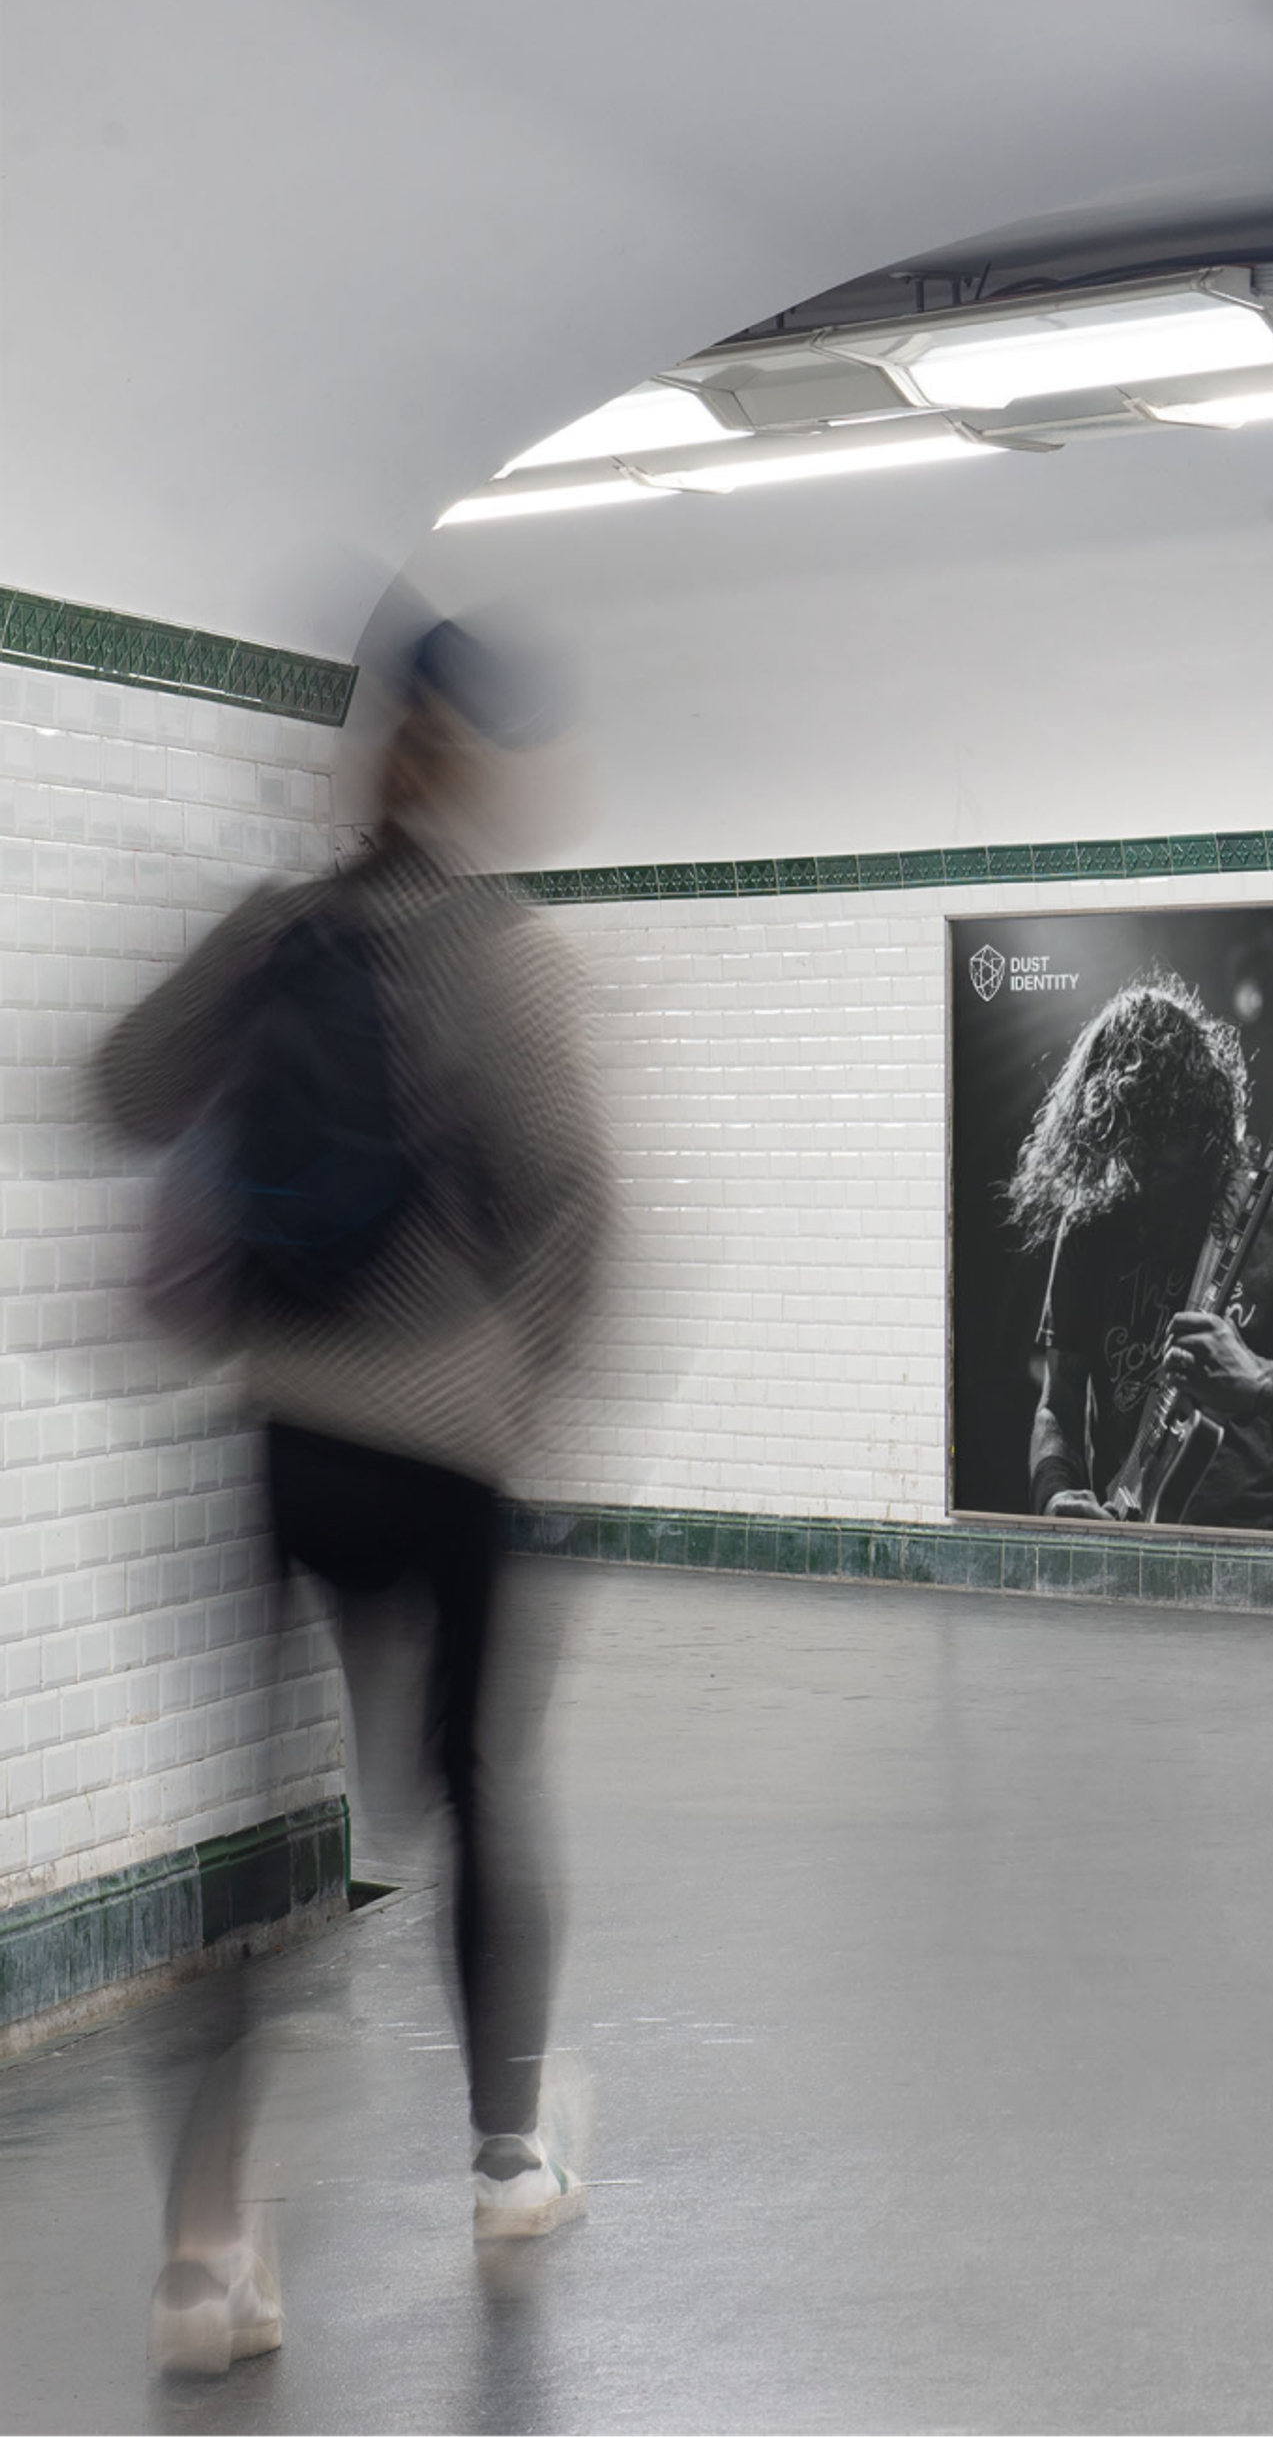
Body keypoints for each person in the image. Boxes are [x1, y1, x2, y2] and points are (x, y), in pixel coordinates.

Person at [93, 621, 611, 2377]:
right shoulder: (500, 952)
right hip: (446, 1447)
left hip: (280, 1440)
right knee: (472, 1789)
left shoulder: (278, 932)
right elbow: (581, 1203)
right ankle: (507, 2154)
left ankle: (203, 2255)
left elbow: (116, 1088)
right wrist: (514, 1390)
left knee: (261, 1842)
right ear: (468, 759)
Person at [1012, 976, 1273, 1530]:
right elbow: (1058, 1403)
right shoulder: (1091, 1225)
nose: (1141, 1169)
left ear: (1201, 1115)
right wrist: (1055, 1493)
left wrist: (1259, 1381)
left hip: (1259, 1568)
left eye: (1161, 1143)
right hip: (1125, 1548)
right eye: (1126, 1143)